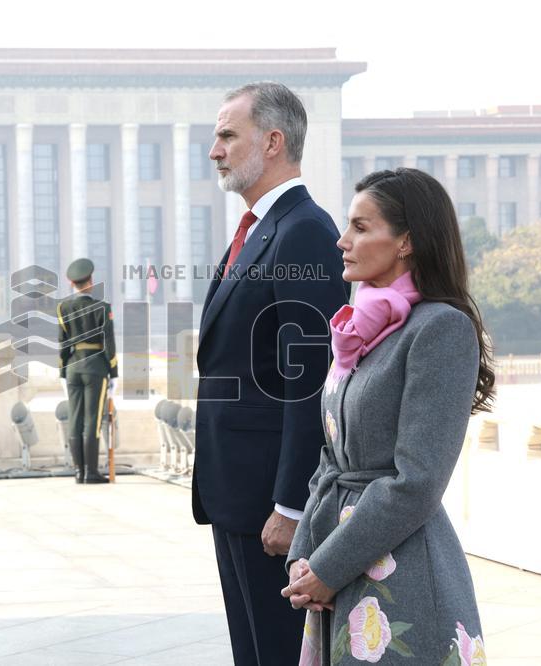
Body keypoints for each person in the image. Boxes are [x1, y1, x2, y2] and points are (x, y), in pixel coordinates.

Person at [281, 168, 496, 665]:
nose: (342, 241)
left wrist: (328, 566)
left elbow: (417, 481)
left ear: (406, 242)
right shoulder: (361, 328)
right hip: (340, 565)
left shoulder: (440, 329)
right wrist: (305, 558)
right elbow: (330, 456)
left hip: (402, 570)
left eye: (361, 227)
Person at [193, 81, 349, 665]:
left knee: (277, 654)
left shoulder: (303, 230)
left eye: (228, 136)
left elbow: (310, 381)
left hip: (268, 502)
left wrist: (291, 505)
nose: (215, 150)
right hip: (234, 491)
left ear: (274, 141)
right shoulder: (257, 230)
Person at [58, 258, 118, 484]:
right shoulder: (102, 308)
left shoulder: (63, 308)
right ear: (90, 281)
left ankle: (78, 472)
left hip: (73, 366)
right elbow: (109, 343)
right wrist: (114, 373)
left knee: (75, 418)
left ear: (71, 283)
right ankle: (91, 472)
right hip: (95, 367)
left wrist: (62, 372)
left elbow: (62, 343)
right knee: (92, 419)